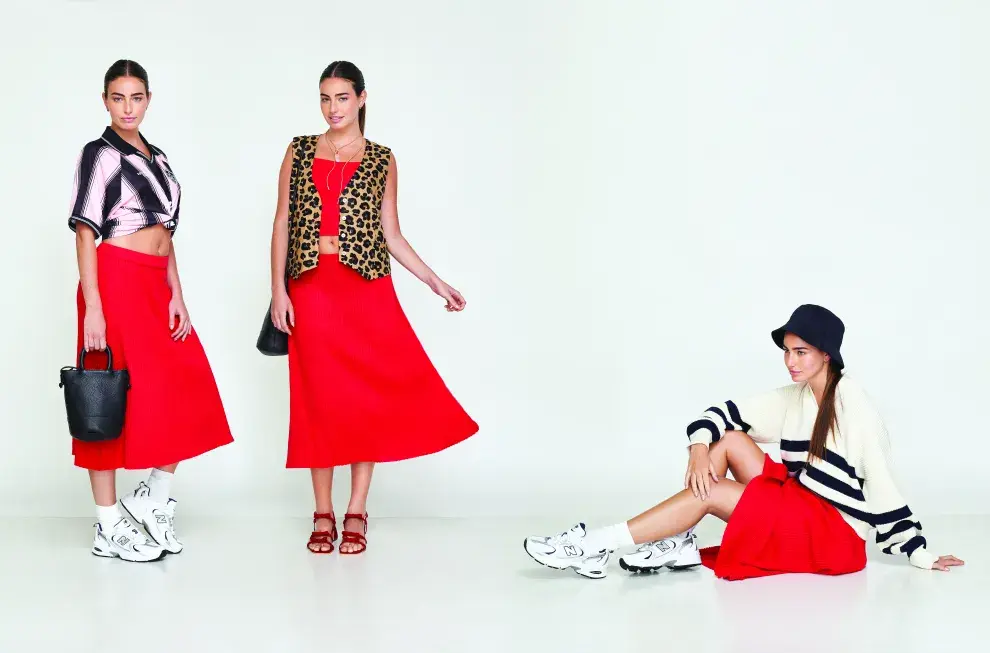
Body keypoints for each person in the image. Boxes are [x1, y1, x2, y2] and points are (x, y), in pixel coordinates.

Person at [524, 305, 964, 579]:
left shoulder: (853, 404)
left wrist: (919, 553)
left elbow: (881, 482)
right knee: (729, 439)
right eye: (787, 351)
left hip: (832, 535)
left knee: (713, 489)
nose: (790, 362)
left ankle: (595, 544)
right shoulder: (793, 397)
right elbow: (720, 416)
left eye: (801, 352)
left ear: (827, 354)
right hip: (802, 506)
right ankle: (678, 538)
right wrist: (698, 449)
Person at [268, 61, 479, 555]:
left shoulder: (382, 159)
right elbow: (281, 222)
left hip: (365, 291)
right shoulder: (298, 150)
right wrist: (278, 289)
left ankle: (357, 509)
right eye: (325, 98)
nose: (332, 107)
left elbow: (392, 234)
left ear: (361, 98)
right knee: (318, 401)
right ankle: (322, 510)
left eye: (342, 97)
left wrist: (435, 282)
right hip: (312, 290)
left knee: (362, 402)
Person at [69, 60, 234, 562]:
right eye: (117, 98)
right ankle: (107, 522)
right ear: (105, 101)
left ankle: (154, 496)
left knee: (186, 386)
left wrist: (176, 293)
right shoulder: (99, 154)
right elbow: (84, 232)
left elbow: (167, 236)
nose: (127, 107)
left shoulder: (159, 159)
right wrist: (93, 306)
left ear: (148, 99)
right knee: (106, 395)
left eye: (136, 97)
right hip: (114, 281)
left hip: (155, 285)